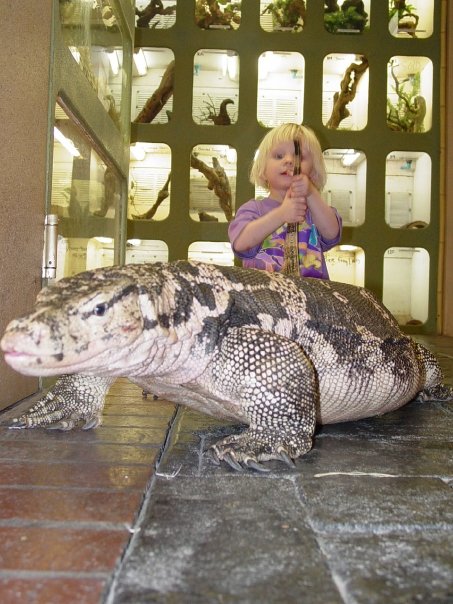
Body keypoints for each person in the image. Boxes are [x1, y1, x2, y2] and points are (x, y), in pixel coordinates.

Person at [228, 123, 342, 278]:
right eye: (279, 156)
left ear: (314, 173)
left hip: (308, 293)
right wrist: (282, 214)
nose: (289, 161)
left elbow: (332, 233)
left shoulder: (315, 212)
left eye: (299, 157)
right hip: (264, 292)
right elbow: (241, 244)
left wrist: (311, 193)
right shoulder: (253, 209)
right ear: (263, 170)